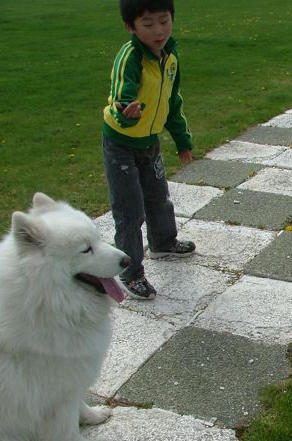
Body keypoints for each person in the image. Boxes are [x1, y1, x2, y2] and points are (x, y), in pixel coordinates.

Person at [102, 0, 195, 300]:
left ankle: (163, 242)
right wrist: (125, 112)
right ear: (130, 26)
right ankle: (130, 271)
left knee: (158, 196)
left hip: (150, 141)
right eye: (148, 24)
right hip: (121, 143)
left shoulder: (170, 57)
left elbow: (171, 101)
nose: (159, 30)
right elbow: (122, 95)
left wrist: (182, 140)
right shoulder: (130, 57)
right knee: (129, 210)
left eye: (164, 20)